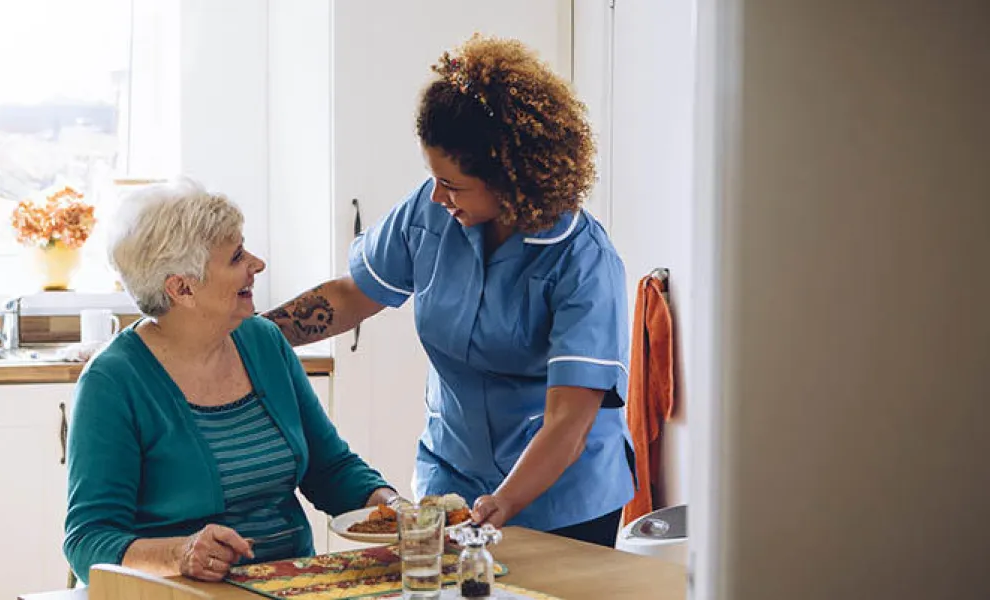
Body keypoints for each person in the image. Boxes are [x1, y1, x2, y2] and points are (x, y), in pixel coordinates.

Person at [264, 35, 634, 547]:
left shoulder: (583, 261)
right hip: (453, 478)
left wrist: (504, 502)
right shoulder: (431, 210)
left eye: (454, 184)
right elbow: (352, 295)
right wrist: (252, 335)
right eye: (432, 177)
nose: (438, 195)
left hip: (561, 498)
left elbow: (569, 421)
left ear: (511, 178)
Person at [63, 178, 396, 584]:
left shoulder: (263, 342)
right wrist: (180, 553)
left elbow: (329, 469)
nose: (257, 264)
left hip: (285, 586)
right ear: (182, 288)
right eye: (237, 256)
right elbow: (88, 540)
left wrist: (391, 506)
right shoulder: (113, 381)